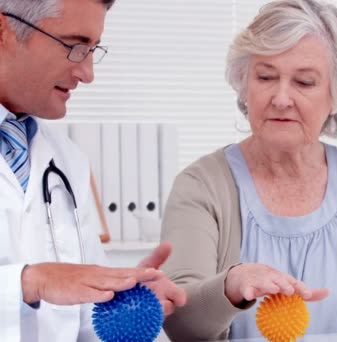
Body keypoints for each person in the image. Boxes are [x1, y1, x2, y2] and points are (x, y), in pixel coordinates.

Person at [160, 0, 337, 340]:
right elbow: (181, 327)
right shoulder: (201, 186)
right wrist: (232, 286)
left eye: (305, 82)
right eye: (266, 77)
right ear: (244, 84)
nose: (281, 98)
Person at [0, 0, 187, 340]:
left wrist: (123, 303)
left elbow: (82, 326)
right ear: (3, 30)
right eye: (74, 46)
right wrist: (29, 282)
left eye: (92, 50)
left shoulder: (67, 161)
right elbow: (41, 284)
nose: (87, 73)